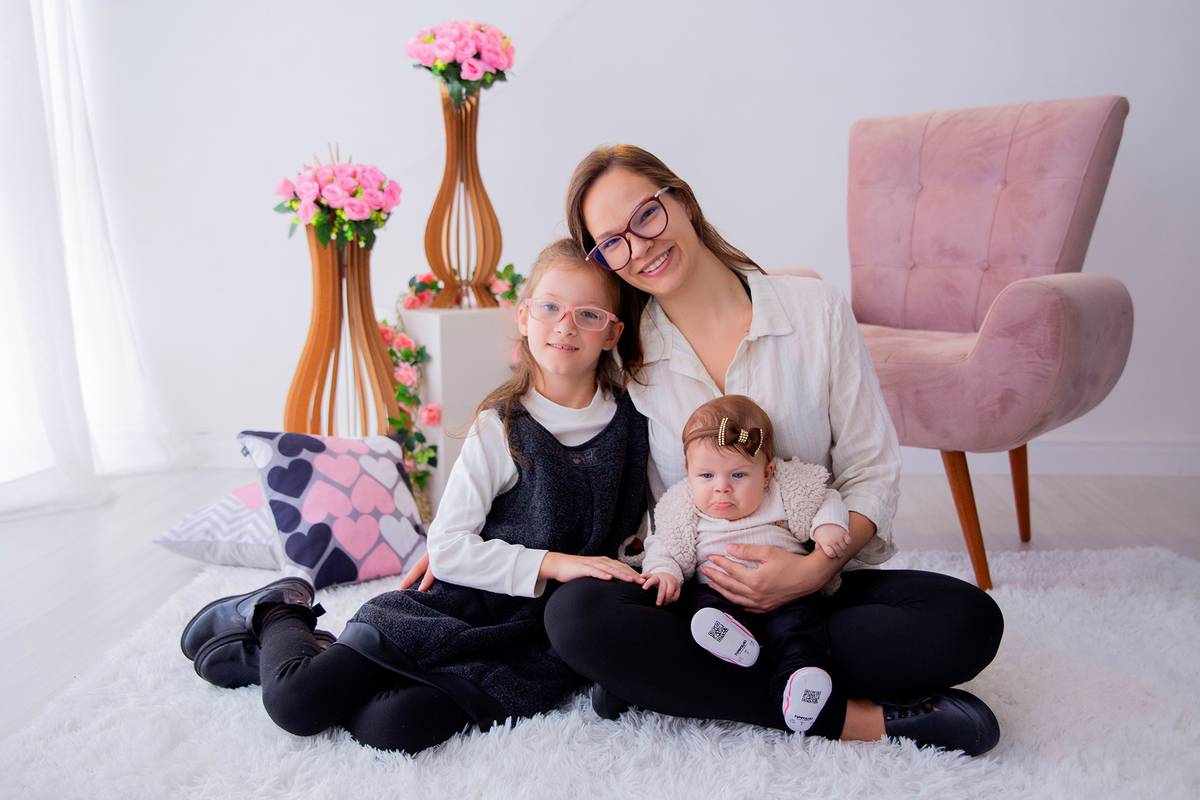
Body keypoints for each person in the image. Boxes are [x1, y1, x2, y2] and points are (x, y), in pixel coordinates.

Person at [541, 144, 1005, 757]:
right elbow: (554, 426)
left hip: (816, 587)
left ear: (679, 199)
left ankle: (666, 682)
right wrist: (469, 536)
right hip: (697, 598)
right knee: (576, 618)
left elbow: (871, 471)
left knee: (968, 622)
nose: (640, 246)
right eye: (613, 243)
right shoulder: (630, 356)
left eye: (646, 216)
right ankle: (856, 720)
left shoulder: (815, 313)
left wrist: (812, 569)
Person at [180, 239, 649, 754]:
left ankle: (313, 658)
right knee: (298, 703)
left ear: (613, 332)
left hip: (536, 637)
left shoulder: (635, 423)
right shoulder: (501, 427)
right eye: (550, 307)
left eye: (588, 313)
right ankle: (278, 612)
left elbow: (651, 528)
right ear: (522, 316)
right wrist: (556, 564)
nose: (565, 325)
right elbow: (448, 547)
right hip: (465, 603)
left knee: (391, 727)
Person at [639, 394, 854, 734]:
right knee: (697, 604)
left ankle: (802, 684)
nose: (721, 488)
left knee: (799, 631)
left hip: (788, 597)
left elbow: (826, 497)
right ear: (688, 473)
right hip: (721, 599)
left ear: (767, 473)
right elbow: (664, 543)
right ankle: (728, 638)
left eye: (738, 474)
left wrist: (828, 526)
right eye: (706, 475)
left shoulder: (785, 492)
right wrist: (664, 572)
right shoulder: (683, 508)